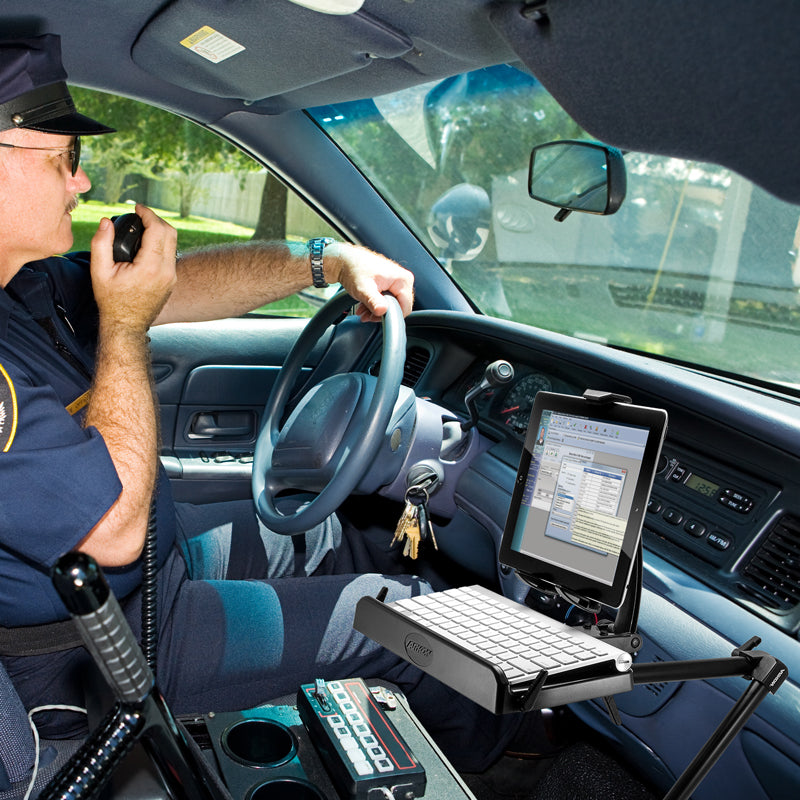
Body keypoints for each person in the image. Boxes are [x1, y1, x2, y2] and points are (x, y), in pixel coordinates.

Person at [0, 34, 548, 776]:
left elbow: (181, 283)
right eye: (64, 157)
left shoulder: (21, 289)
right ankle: (516, 766)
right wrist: (125, 323)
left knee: (327, 537)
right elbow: (109, 536)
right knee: (404, 619)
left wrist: (327, 261)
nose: (82, 180)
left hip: (157, 579)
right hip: (99, 647)